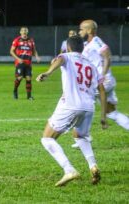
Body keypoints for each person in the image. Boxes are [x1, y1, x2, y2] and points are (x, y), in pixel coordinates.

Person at [36, 35, 108, 187]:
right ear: (82, 48)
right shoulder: (92, 65)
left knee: (47, 138)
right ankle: (93, 165)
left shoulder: (66, 56)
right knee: (80, 136)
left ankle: (69, 170)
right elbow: (102, 90)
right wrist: (103, 116)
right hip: (88, 107)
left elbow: (59, 60)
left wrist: (48, 73)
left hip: (70, 104)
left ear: (68, 47)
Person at [69, 20, 129, 148]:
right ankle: (84, 136)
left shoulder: (96, 42)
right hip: (105, 81)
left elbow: (107, 56)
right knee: (112, 112)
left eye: (81, 29)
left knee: (81, 105)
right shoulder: (88, 44)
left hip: (102, 82)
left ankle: (83, 137)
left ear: (89, 30)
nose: (80, 31)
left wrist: (102, 75)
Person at [10, 26, 41, 100]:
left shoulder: (31, 40)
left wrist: (37, 56)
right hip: (20, 63)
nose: (24, 32)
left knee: (28, 79)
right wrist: (18, 59)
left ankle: (29, 96)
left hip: (28, 63)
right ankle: (15, 91)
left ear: (27, 32)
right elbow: (11, 51)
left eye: (25, 30)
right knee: (19, 78)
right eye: (23, 30)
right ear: (20, 32)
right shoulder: (17, 40)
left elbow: (34, 50)